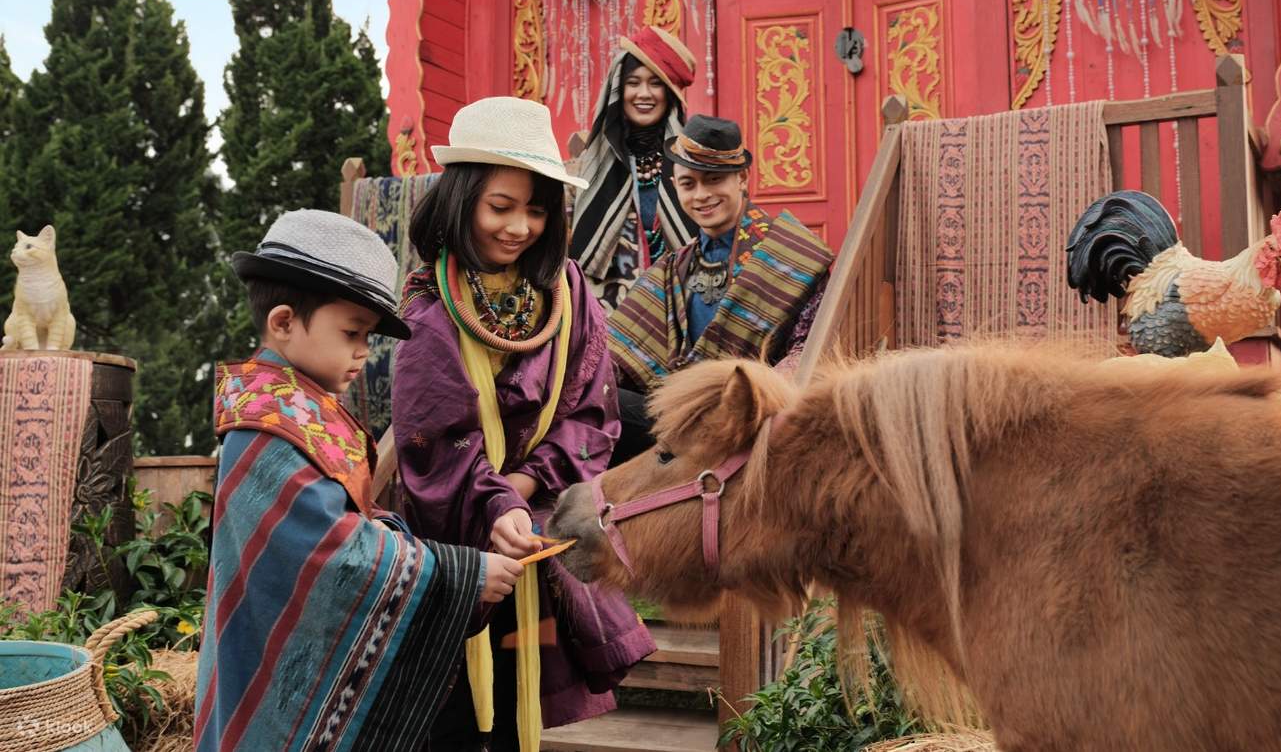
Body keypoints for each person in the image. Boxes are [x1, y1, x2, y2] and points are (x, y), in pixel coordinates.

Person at [195, 209, 522, 752]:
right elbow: (332, 553)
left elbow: (347, 526)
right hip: (274, 695)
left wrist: (402, 541)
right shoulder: (267, 430)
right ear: (282, 322)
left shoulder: (298, 411)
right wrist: (462, 572)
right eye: (352, 332)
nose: (363, 352)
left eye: (368, 335)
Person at [392, 96, 655, 752]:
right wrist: (494, 501)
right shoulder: (428, 311)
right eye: (500, 206)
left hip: (532, 537)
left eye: (535, 208)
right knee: (447, 717)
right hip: (452, 543)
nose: (519, 226)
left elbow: (589, 416)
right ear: (460, 201)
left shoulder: (570, 294)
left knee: (514, 705)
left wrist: (529, 487)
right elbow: (435, 444)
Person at [607, 115, 835, 464]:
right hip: (682, 420)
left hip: (753, 425)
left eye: (714, 180)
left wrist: (749, 396)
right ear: (675, 185)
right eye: (689, 184)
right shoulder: (673, 268)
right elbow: (616, 355)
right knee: (596, 396)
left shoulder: (792, 256)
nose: (701, 195)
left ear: (742, 178)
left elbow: (810, 346)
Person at [570, 25, 700, 313]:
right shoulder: (581, 172)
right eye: (633, 82)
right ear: (618, 88)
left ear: (669, 93)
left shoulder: (694, 170)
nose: (644, 93)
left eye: (655, 83)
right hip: (604, 318)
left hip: (680, 313)